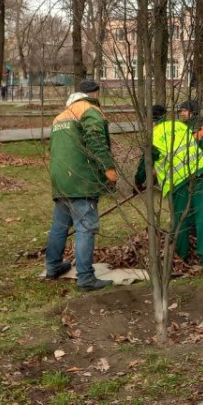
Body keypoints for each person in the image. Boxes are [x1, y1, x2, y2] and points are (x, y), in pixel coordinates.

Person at [45, 79, 118, 292]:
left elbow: (52, 149)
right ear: (95, 93)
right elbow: (96, 141)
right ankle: (85, 277)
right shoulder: (90, 110)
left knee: (59, 226)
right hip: (81, 179)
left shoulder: (60, 116)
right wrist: (109, 170)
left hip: (61, 179)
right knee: (85, 228)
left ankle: (53, 267)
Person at [135, 103, 203, 272]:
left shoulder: (154, 136)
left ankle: (181, 256)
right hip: (201, 171)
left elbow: (145, 165)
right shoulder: (180, 125)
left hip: (178, 180)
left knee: (180, 220)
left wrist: (138, 182)